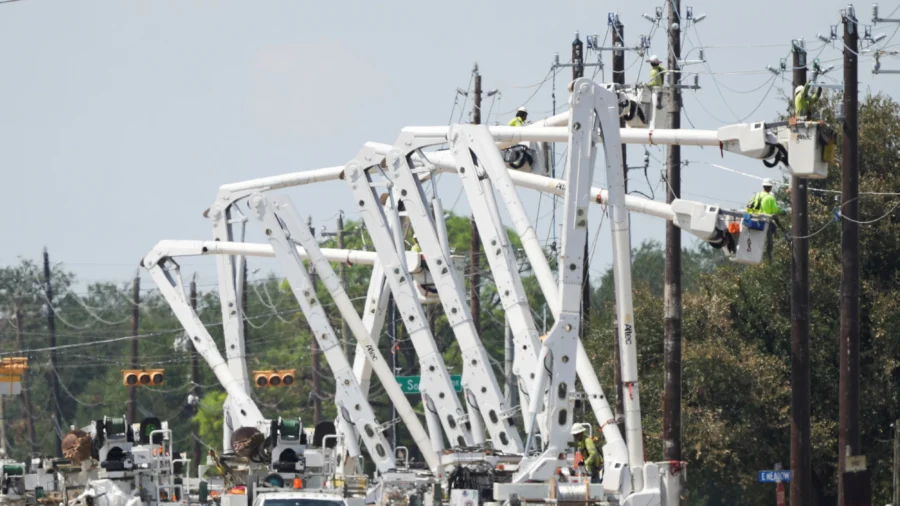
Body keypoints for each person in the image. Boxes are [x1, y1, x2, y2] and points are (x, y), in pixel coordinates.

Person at [746, 178, 784, 260]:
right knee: (771, 236)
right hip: (765, 221)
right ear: (770, 187)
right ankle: (769, 255)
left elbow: (749, 206)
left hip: (755, 219)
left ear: (763, 186)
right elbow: (775, 210)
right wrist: (783, 212)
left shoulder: (757, 195)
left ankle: (756, 249)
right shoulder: (770, 198)